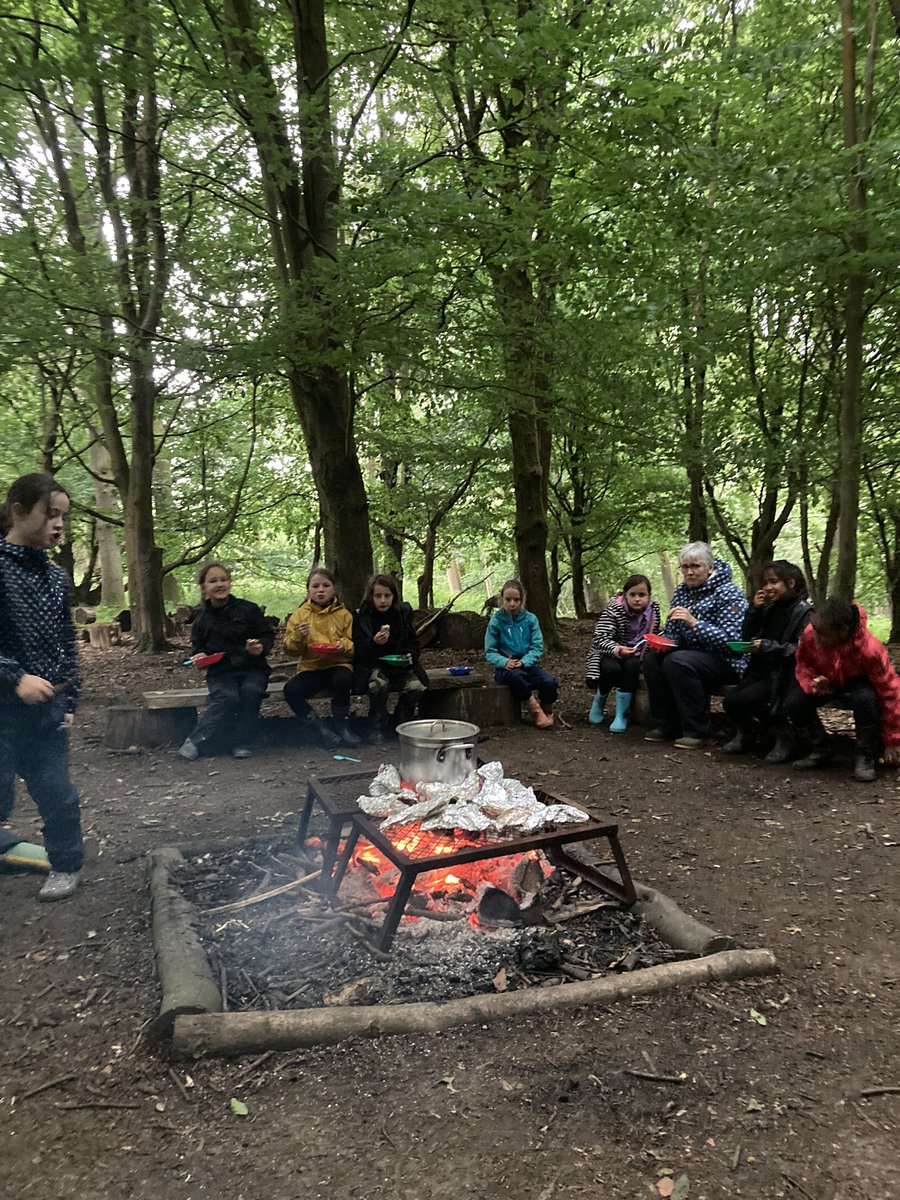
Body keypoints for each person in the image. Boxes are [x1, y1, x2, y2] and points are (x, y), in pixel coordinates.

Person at [0, 473, 83, 901]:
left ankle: (66, 864)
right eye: (51, 514)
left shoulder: (55, 577)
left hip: (46, 709)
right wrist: (15, 678)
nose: (58, 525)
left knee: (57, 794)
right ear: (18, 511)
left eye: (63, 518)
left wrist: (71, 695)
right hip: (2, 709)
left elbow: (66, 640)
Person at [643, 542, 748, 749]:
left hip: (727, 660)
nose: (689, 572)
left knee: (678, 661)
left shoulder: (729, 593)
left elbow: (734, 643)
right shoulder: (682, 591)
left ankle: (696, 730)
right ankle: (666, 724)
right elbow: (674, 632)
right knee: (652, 660)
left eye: (695, 566)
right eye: (685, 567)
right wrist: (666, 643)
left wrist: (695, 624)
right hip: (692, 656)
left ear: (710, 567)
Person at [784, 598, 900, 782]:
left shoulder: (870, 650)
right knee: (794, 703)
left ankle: (866, 755)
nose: (818, 639)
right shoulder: (811, 633)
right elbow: (803, 663)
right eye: (816, 633)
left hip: (858, 679)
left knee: (865, 699)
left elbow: (890, 691)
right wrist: (812, 681)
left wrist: (893, 739)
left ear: (843, 631)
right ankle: (821, 747)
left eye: (824, 635)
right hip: (827, 677)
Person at [177, 563, 275, 761]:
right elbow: (198, 649)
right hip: (221, 671)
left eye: (223, 580)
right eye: (213, 581)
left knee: (251, 691)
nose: (219, 584)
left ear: (230, 583)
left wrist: (259, 647)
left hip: (252, 668)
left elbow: (267, 636)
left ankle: (242, 742)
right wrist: (200, 657)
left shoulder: (249, 609)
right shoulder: (201, 620)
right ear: (204, 587)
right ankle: (196, 741)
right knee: (227, 697)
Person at [721, 561, 813, 762]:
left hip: (785, 673)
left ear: (791, 583)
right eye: (766, 582)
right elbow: (747, 634)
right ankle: (749, 734)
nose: (767, 587)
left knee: (750, 699)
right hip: (760, 669)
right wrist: (754, 610)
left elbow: (801, 651)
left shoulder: (805, 612)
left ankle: (785, 737)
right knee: (730, 702)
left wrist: (767, 646)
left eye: (774, 582)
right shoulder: (769, 609)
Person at [283, 567, 360, 750]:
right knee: (290, 690)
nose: (321, 590)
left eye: (326, 585)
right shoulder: (300, 615)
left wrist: (343, 645)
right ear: (308, 590)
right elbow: (290, 650)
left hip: (337, 663)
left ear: (333, 589)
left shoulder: (344, 615)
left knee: (343, 679)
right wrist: (298, 636)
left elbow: (354, 644)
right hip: (311, 667)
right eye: (315, 586)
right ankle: (322, 730)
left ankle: (342, 726)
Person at [352, 574, 429, 741]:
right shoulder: (362, 617)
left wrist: (410, 654)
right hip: (373, 666)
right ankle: (377, 724)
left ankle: (401, 721)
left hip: (400, 666)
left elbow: (413, 642)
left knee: (417, 686)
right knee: (379, 685)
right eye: (378, 596)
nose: (383, 600)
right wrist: (374, 642)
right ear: (371, 597)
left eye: (387, 595)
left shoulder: (401, 614)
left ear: (394, 596)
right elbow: (357, 651)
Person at [585, 575, 661, 733]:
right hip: (610, 652)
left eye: (642, 595)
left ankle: (621, 714)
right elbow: (600, 638)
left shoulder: (654, 612)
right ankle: (599, 702)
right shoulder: (614, 610)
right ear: (625, 595)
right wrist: (618, 649)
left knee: (632, 668)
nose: (637, 599)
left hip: (637, 655)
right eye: (632, 595)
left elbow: (654, 633)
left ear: (649, 596)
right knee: (611, 669)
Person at [484, 579, 558, 729]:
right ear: (501, 599)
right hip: (505, 669)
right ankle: (535, 711)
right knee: (516, 677)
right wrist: (504, 662)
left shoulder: (530, 619)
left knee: (549, 681)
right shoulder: (496, 622)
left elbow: (537, 647)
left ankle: (547, 710)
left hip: (527, 665)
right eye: (508, 600)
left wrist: (525, 661)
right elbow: (490, 651)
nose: (512, 604)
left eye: (516, 600)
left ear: (522, 599)